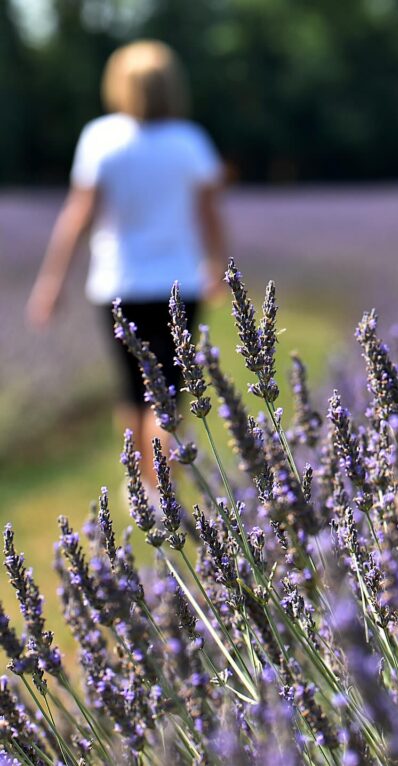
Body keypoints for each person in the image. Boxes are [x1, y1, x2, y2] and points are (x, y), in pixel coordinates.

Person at [26, 40, 226, 477]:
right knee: (169, 392)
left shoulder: (101, 138)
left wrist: (52, 282)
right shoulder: (189, 141)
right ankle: (161, 487)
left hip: (118, 283)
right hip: (179, 282)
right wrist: (217, 266)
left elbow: (77, 217)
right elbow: (210, 215)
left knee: (132, 389)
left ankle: (139, 483)